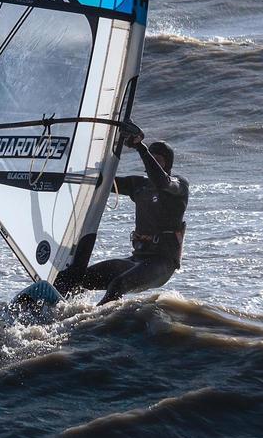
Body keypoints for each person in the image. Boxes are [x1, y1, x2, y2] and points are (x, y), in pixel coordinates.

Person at [56, 123, 188, 305]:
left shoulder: (178, 186)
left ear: (168, 164)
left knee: (118, 285)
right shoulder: (139, 185)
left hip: (162, 263)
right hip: (137, 259)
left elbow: (162, 182)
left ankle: (92, 326)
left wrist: (140, 147)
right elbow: (102, 182)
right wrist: (69, 159)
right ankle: (60, 310)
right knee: (79, 278)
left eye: (159, 160)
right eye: (152, 158)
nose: (154, 163)